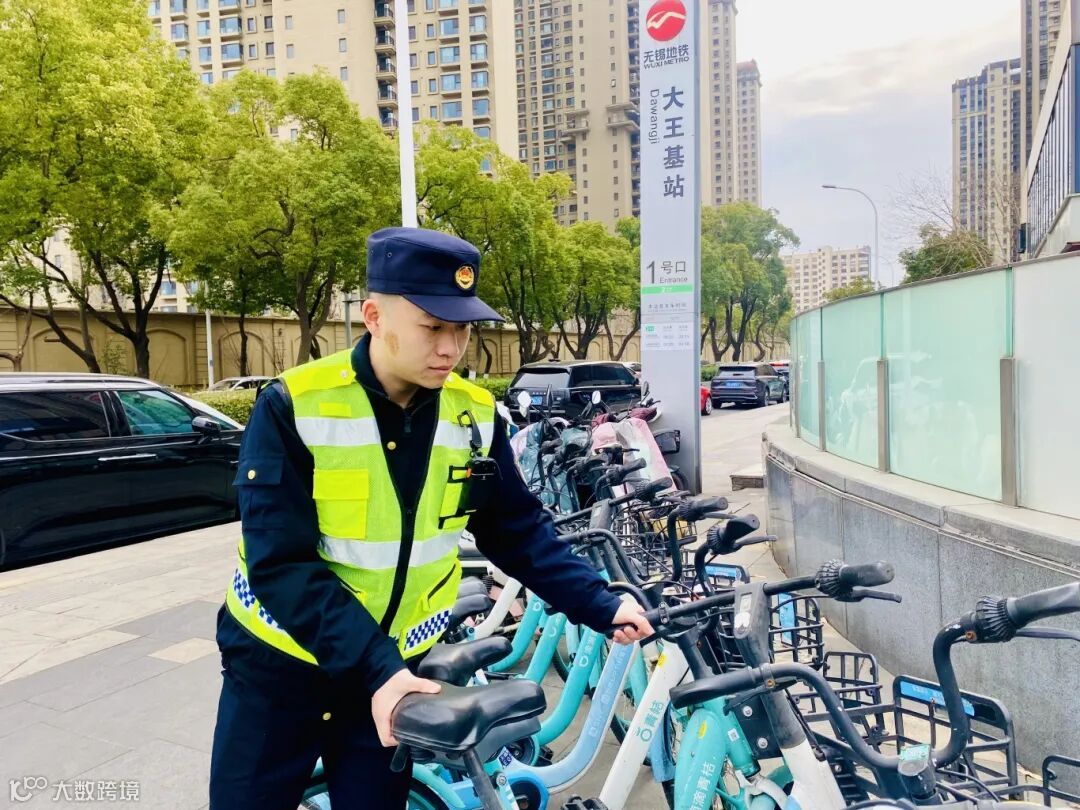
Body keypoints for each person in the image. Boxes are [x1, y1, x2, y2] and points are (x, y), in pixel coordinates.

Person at [208, 227, 653, 810]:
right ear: (373, 316)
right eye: (433, 327)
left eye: (462, 329)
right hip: (281, 667)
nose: (451, 348)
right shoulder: (295, 404)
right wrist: (378, 667)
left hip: (396, 672)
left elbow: (515, 529)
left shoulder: (473, 415)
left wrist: (599, 602)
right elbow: (280, 562)